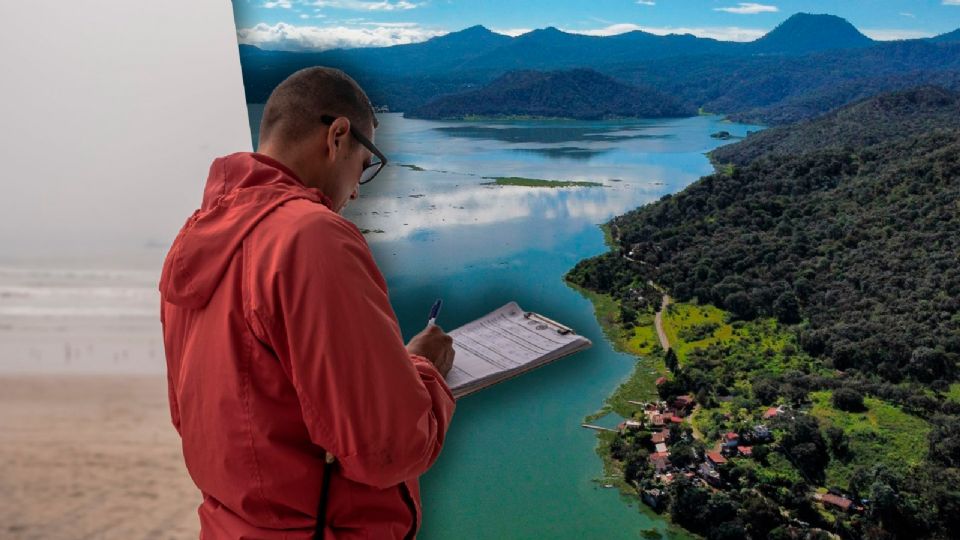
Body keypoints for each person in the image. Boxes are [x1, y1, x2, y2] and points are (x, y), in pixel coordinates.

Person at [159, 66, 457, 539]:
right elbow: (388, 449)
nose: (358, 190)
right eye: (364, 166)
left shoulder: (195, 239)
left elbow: (197, 414)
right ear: (338, 135)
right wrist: (424, 367)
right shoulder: (311, 236)